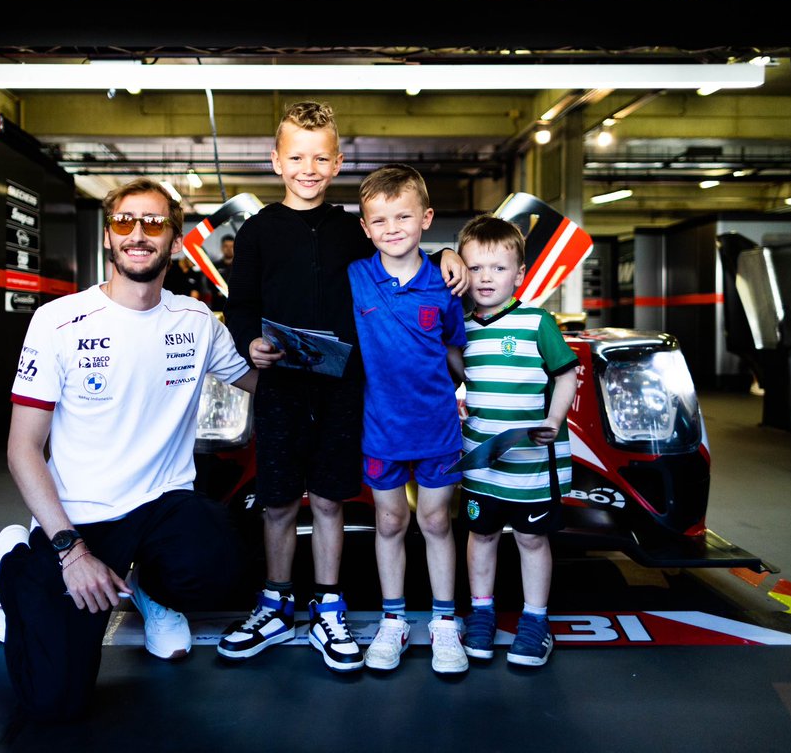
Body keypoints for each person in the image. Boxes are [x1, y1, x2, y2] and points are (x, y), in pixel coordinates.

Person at [0, 177, 257, 720]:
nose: (139, 234)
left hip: (162, 506)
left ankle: (150, 585)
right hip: (80, 519)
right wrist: (70, 551)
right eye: (125, 222)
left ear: (174, 241)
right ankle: (16, 563)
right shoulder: (58, 321)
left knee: (228, 562)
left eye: (154, 223)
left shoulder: (196, 322)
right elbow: (22, 449)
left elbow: (262, 382)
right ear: (109, 237)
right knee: (53, 701)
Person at [218, 101, 467, 672]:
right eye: (297, 156)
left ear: (338, 163)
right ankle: (276, 603)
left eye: (321, 157)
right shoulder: (255, 233)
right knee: (277, 501)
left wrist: (447, 252)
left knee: (329, 500)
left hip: (343, 391)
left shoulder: (351, 232)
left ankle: (328, 605)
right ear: (276, 160)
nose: (308, 167)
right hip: (281, 388)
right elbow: (241, 308)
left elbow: (402, 253)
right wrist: (251, 341)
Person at [348, 165, 468, 674]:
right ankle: (392, 620)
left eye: (403, 216)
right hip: (380, 429)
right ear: (365, 227)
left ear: (426, 218)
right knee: (391, 521)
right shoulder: (354, 277)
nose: (392, 227)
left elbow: (459, 354)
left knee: (437, 520)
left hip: (438, 427)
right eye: (380, 219)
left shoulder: (445, 283)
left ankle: (445, 622)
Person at [447, 215, 578, 668]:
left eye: (498, 268)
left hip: (533, 469)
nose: (486, 278)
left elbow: (567, 374)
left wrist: (553, 419)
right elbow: (468, 378)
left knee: (530, 540)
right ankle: (481, 614)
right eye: (476, 267)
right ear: (462, 271)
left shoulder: (537, 322)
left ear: (519, 274)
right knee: (480, 536)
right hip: (482, 460)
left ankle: (535, 621)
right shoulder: (461, 328)